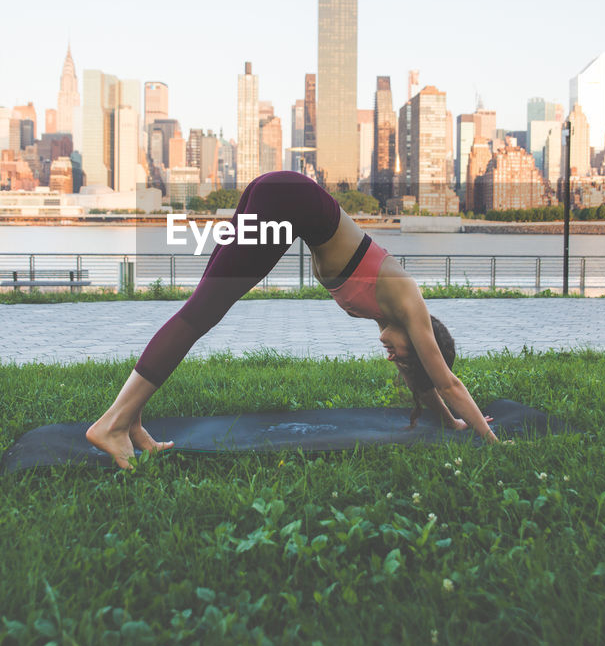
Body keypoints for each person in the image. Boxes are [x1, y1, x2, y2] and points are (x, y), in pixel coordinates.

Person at [86, 170, 499, 468]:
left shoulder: (388, 317)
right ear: (424, 339)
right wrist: (490, 438)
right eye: (406, 357)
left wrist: (450, 420)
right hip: (285, 201)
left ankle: (130, 417)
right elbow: (447, 381)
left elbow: (427, 382)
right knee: (200, 314)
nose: (393, 358)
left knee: (200, 308)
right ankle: (112, 424)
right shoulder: (409, 301)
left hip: (277, 194)